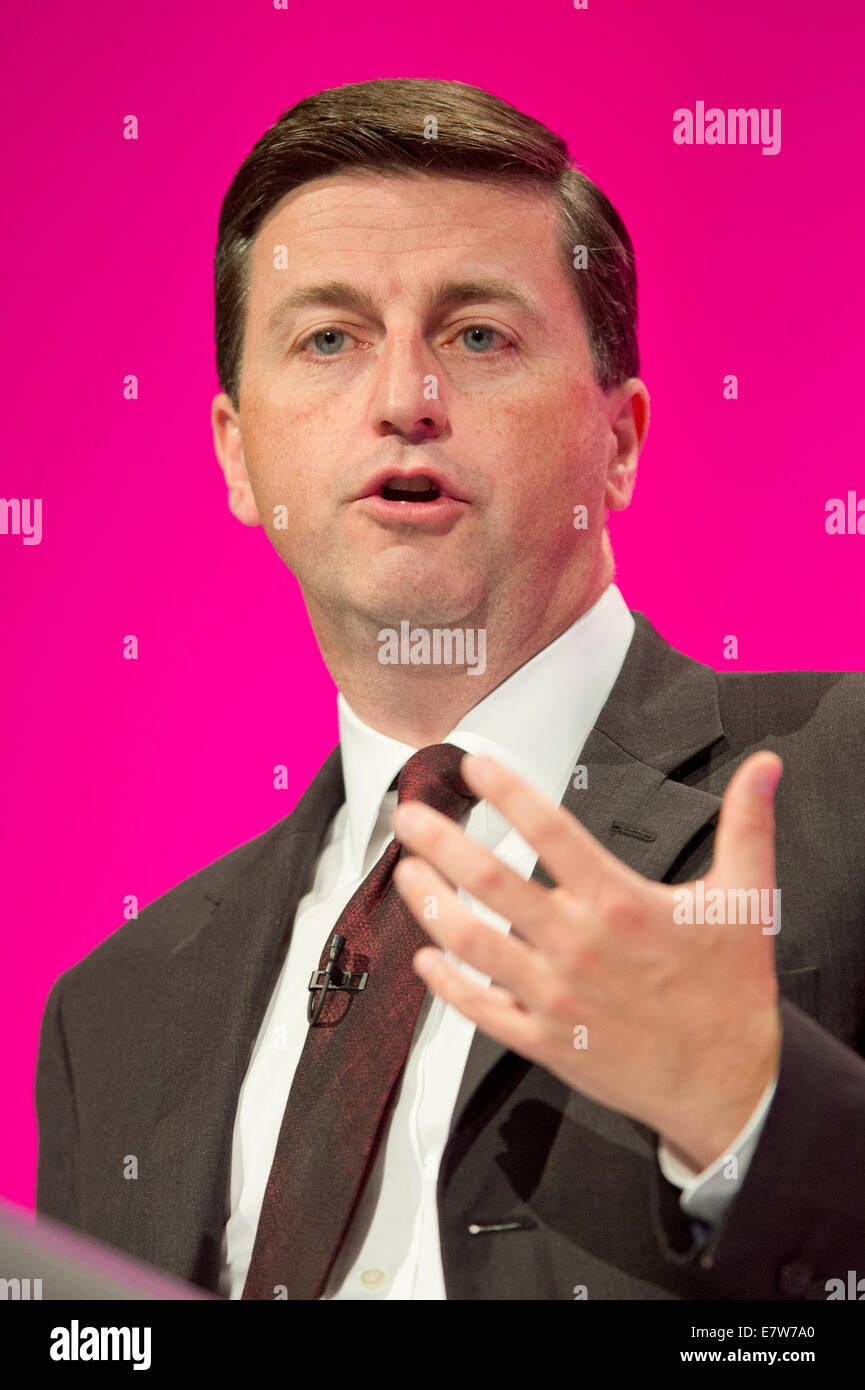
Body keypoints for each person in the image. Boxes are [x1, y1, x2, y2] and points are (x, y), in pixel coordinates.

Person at [35, 78, 865, 1301]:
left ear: (619, 439)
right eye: (329, 337)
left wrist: (751, 1108)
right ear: (234, 451)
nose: (402, 399)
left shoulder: (838, 778)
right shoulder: (112, 1016)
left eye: (478, 335)